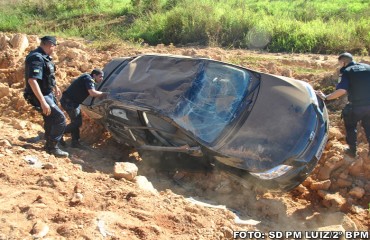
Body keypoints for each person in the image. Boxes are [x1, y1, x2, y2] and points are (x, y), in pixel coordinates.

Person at [316, 52, 370, 157]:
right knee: (368, 126)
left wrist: (326, 97)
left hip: (357, 106)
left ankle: (352, 151)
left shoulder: (346, 71)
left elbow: (342, 90)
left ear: (343, 62)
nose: (340, 65)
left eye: (340, 63)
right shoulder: (368, 67)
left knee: (350, 126)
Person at [24, 36, 69, 157]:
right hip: (40, 94)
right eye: (54, 46)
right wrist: (42, 101)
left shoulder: (44, 56)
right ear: (50, 45)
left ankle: (50, 141)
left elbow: (48, 75)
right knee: (60, 119)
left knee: (50, 118)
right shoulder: (36, 57)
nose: (55, 49)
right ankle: (52, 147)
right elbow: (32, 81)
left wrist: (55, 87)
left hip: (47, 92)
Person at [60, 69, 107, 148]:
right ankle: (57, 134)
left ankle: (75, 142)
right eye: (100, 77)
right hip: (70, 102)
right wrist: (105, 94)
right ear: (94, 75)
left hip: (73, 102)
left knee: (75, 121)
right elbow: (92, 93)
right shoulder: (88, 79)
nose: (101, 79)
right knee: (77, 123)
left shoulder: (87, 77)